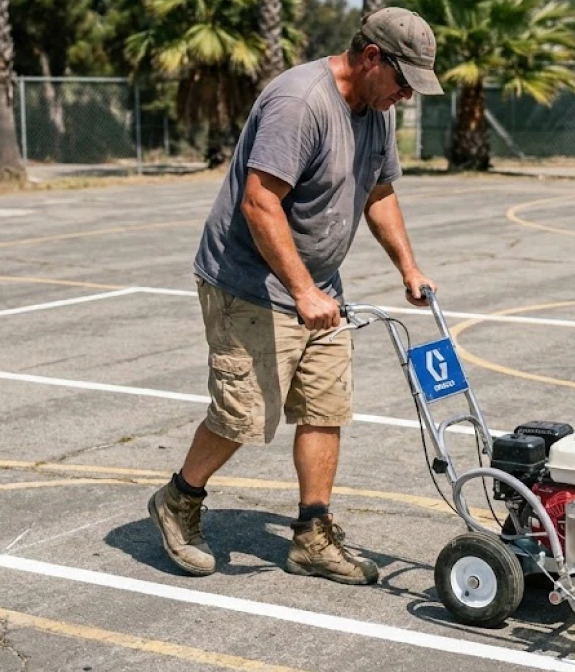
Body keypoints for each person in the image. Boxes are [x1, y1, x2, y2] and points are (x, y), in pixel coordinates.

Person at [148, 7, 445, 586]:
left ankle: (312, 535)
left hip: (318, 287)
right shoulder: (300, 102)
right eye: (403, 82)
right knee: (243, 416)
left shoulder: (373, 109)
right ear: (370, 58)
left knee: (324, 408)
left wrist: (408, 267)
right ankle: (178, 500)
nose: (406, 97)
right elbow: (259, 202)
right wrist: (302, 290)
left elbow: (377, 190)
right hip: (249, 284)